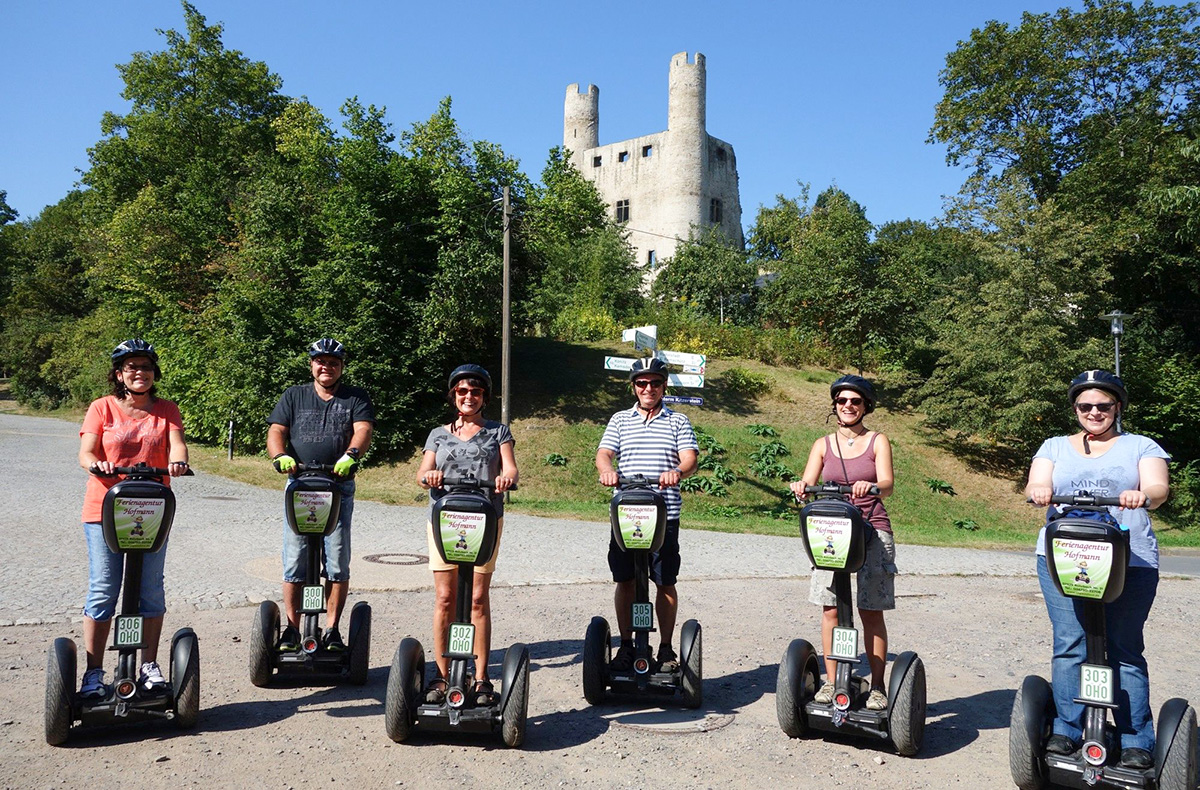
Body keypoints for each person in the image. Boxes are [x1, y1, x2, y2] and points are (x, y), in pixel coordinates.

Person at [1025, 370, 1169, 769]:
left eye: (1103, 405)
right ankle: (1067, 729)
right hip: (1064, 556)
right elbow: (1034, 484)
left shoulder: (1140, 445)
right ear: (1075, 409)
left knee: (1124, 646)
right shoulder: (1054, 446)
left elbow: (1158, 489)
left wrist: (1143, 494)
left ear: (1117, 407)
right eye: (1085, 405)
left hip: (1131, 559)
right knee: (1070, 643)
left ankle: (1136, 738)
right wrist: (1038, 491)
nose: (1094, 412)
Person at [77, 339, 190, 698]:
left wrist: (178, 461)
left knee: (150, 591)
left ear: (154, 372)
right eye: (131, 367)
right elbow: (85, 452)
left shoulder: (167, 409)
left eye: (146, 366)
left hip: (151, 510)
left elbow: (177, 444)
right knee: (104, 590)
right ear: (119, 374)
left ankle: (148, 665)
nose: (140, 372)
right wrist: (97, 463)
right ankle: (94, 673)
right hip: (105, 510)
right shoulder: (102, 407)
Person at [789, 374, 895, 711]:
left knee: (870, 609)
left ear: (865, 406)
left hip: (871, 529)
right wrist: (800, 488)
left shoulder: (877, 441)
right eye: (842, 400)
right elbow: (807, 482)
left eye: (855, 401)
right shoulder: (822, 444)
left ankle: (877, 686)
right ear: (834, 405)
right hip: (832, 531)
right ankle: (832, 681)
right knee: (831, 608)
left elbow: (888, 484)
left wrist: (871, 485)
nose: (848, 406)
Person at [417, 364, 517, 705]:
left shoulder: (498, 432)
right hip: (445, 518)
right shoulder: (437, 434)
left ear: (484, 397)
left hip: (485, 519)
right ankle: (442, 675)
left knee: (476, 597)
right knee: (445, 597)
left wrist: (505, 478)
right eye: (462, 391)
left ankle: (482, 677)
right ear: (453, 396)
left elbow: (510, 467)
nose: (468, 396)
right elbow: (422, 472)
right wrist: (430, 476)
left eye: (475, 391)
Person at [267, 338, 375, 653]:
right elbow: (276, 430)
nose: (326, 367)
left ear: (341, 367)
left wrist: (351, 454)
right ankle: (291, 629)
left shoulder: (355, 397)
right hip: (300, 485)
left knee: (337, 561)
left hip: (338, 485)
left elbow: (363, 430)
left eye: (333, 362)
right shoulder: (294, 395)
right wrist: (279, 455)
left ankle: (331, 630)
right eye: (321, 361)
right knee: (295, 560)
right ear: (312, 364)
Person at [595, 358, 699, 673]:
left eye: (655, 383)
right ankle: (627, 646)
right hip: (627, 513)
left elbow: (690, 459)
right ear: (634, 387)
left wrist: (677, 471)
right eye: (642, 383)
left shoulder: (678, 421)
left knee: (664, 581)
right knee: (625, 579)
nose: (648, 388)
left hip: (664, 515)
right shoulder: (620, 419)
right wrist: (607, 470)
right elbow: (604, 453)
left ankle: (665, 649)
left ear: (664, 386)